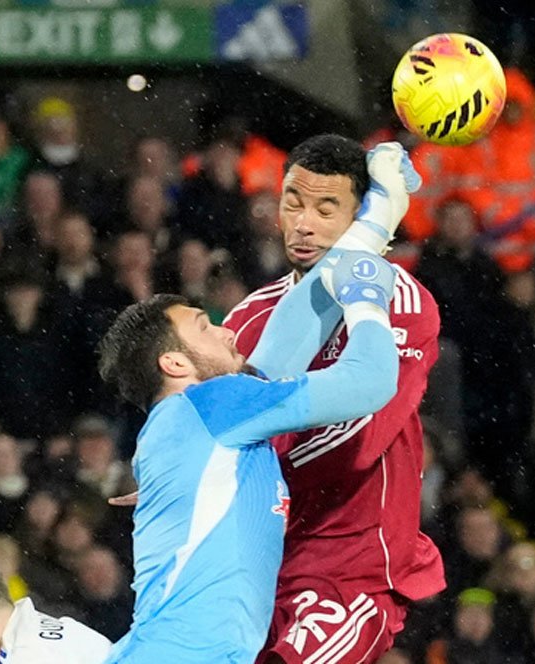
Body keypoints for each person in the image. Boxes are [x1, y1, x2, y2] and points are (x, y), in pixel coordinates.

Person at [97, 146, 415, 662]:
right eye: (203, 327)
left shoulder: (197, 420)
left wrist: (382, 211)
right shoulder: (217, 404)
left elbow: (298, 317)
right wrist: (367, 297)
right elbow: (372, 381)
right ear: (175, 365)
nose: (226, 330)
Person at [224, 134, 445, 663]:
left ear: (359, 216)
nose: (304, 224)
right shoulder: (247, 319)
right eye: (292, 203)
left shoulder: (399, 299)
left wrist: (240, 457)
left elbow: (357, 437)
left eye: (327, 208)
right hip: (256, 567)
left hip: (349, 566)